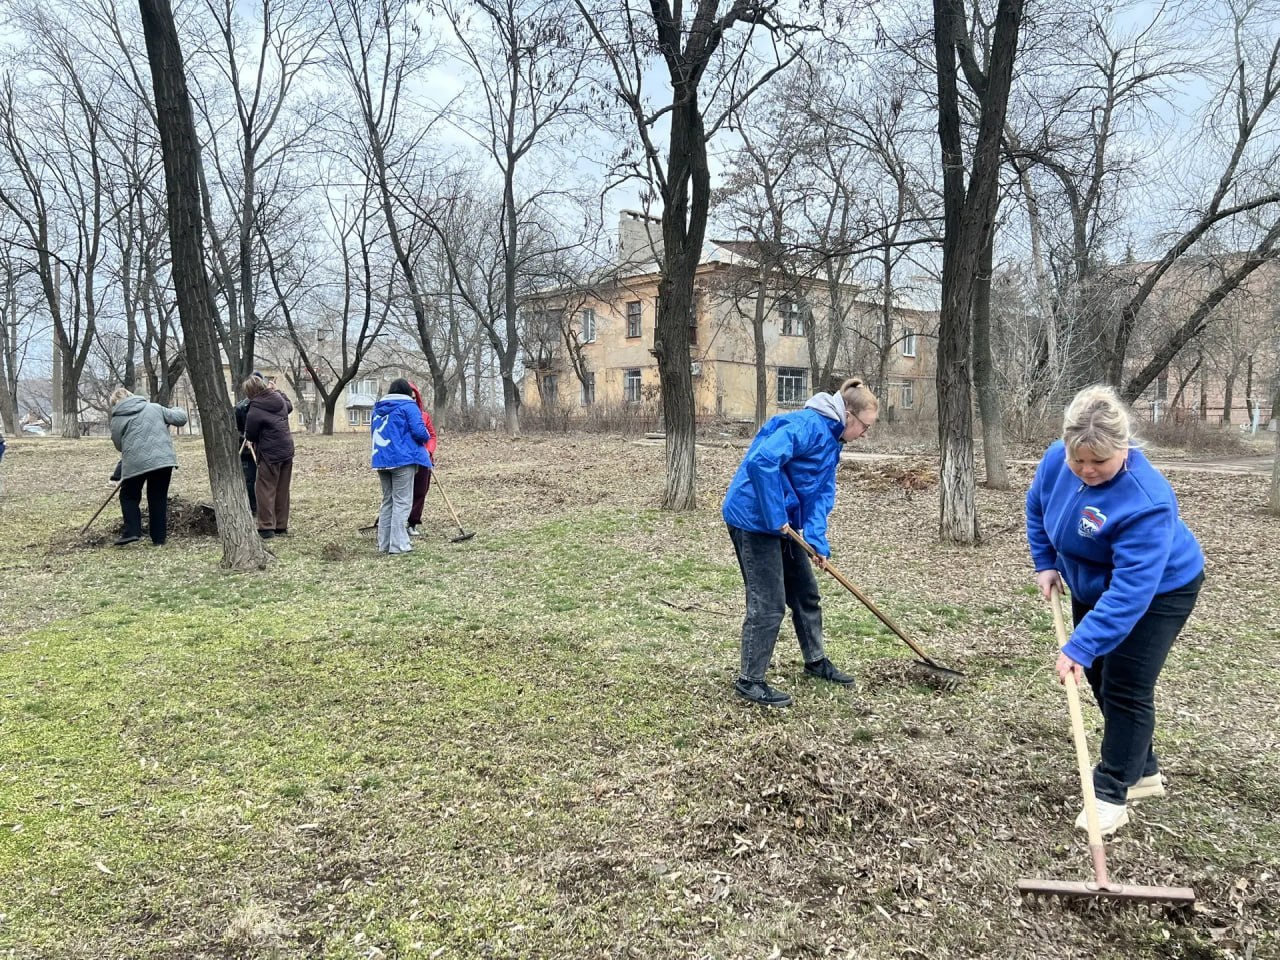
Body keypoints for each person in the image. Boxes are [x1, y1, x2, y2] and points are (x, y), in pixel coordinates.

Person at [1026, 384, 1205, 836]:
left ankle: (1110, 792)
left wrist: (1080, 645)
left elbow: (1131, 592)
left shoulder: (1147, 501)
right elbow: (1037, 507)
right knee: (1100, 675)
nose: (1086, 470)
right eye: (1078, 460)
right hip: (1092, 582)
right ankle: (1141, 768)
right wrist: (1046, 563)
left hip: (1159, 592)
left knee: (1126, 685)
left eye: (1099, 462)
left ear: (1123, 449)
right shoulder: (1056, 460)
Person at [722, 377, 879, 707]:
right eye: (865, 427)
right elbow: (762, 461)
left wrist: (818, 541)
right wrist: (776, 514)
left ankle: (816, 660)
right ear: (848, 415)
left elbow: (821, 494)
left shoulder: (834, 441)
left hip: (783, 522)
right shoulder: (807, 425)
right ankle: (750, 681)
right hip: (753, 517)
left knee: (806, 593)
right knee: (769, 602)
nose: (865, 434)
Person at [108, 386, 188, 546]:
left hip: (135, 462)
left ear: (115, 404)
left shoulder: (116, 419)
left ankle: (132, 531)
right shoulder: (154, 407)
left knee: (129, 496)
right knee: (157, 497)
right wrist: (177, 408)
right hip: (163, 460)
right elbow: (181, 419)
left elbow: (119, 445)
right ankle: (159, 538)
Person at [371, 378, 432, 555]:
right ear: (407, 393)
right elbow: (420, 432)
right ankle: (399, 545)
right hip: (403, 459)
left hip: (381, 460)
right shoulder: (409, 406)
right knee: (402, 502)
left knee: (388, 501)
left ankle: (384, 544)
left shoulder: (378, 408)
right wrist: (426, 436)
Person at [242, 376, 295, 539]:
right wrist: (276, 390)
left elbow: (250, 433)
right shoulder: (278, 398)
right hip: (286, 449)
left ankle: (266, 527)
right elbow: (289, 407)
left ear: (250, 392)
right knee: (282, 488)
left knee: (265, 489)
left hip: (269, 453)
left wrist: (250, 439)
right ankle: (281, 526)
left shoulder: (255, 408)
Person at [405, 381, 438, 538]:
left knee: (421, 491)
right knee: (401, 492)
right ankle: (390, 522)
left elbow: (431, 435)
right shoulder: (399, 415)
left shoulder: (424, 416)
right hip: (405, 459)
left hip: (423, 459)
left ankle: (412, 522)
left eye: (413, 397)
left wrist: (429, 450)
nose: (411, 400)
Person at [234, 372, 265, 514]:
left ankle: (265, 507)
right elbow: (235, 430)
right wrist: (245, 439)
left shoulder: (267, 405)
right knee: (249, 480)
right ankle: (253, 508)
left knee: (266, 480)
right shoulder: (240, 408)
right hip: (246, 450)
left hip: (265, 449)